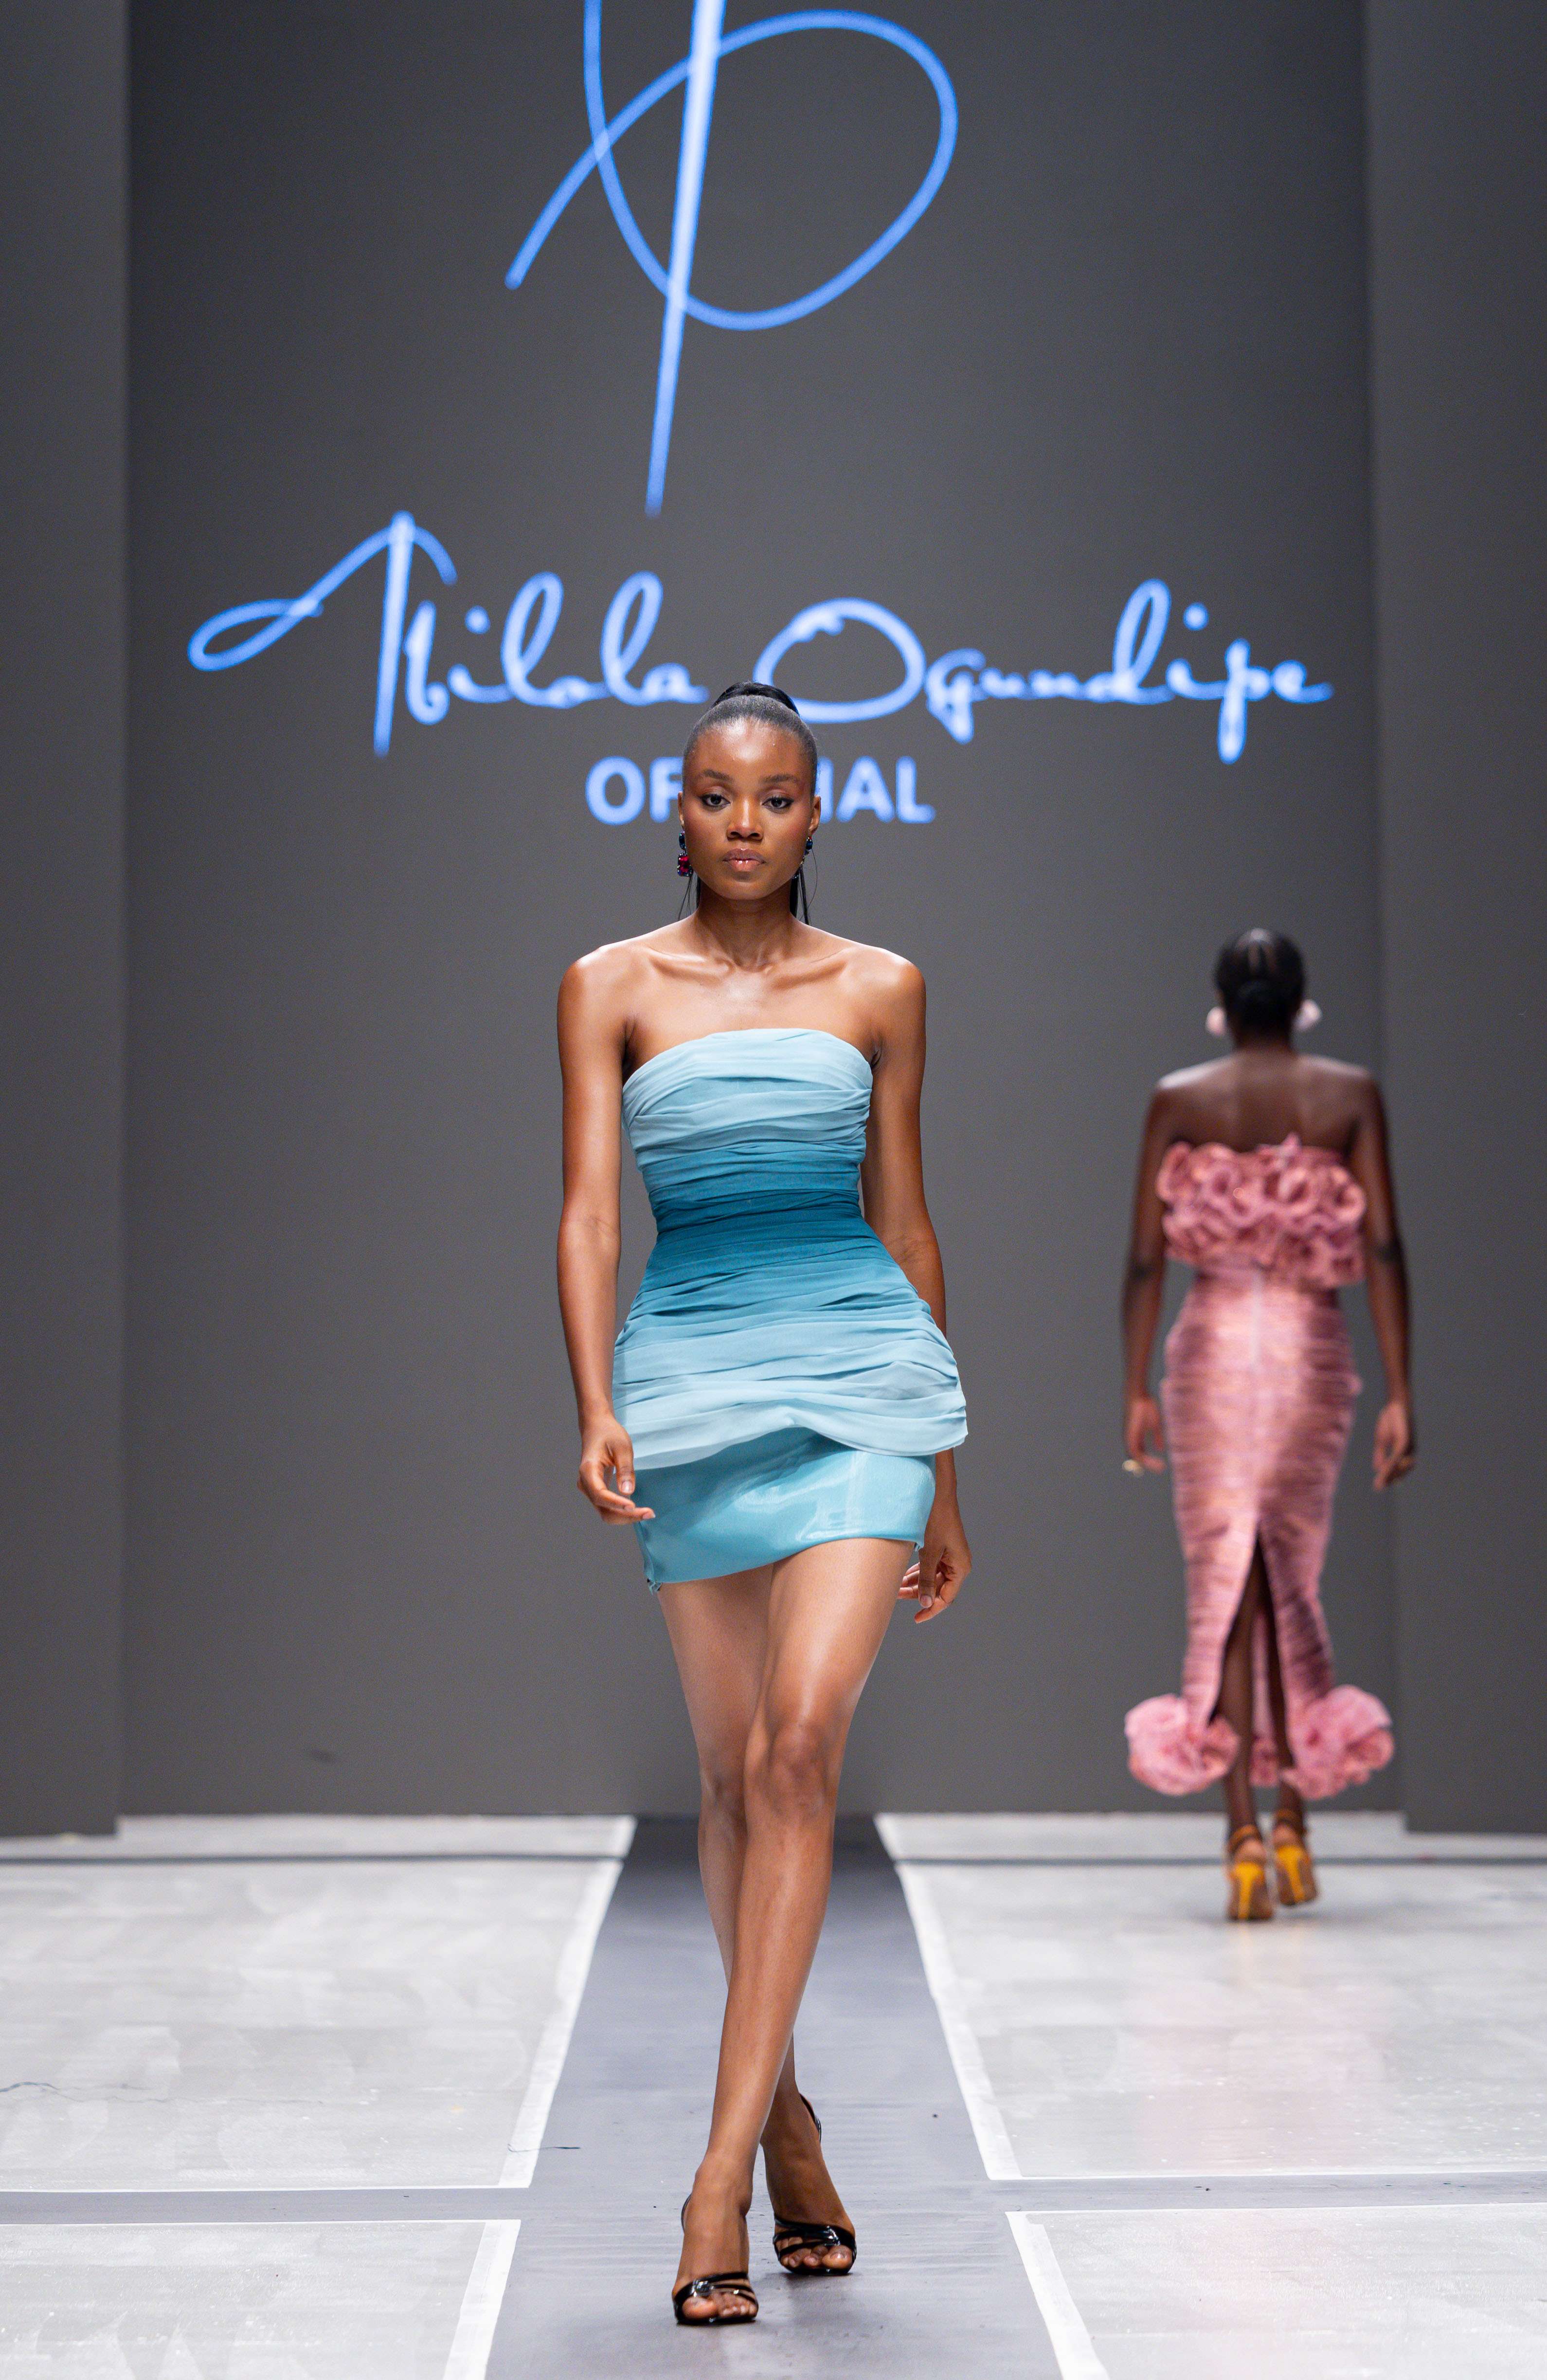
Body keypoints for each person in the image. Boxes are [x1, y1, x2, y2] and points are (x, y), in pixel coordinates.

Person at [556, 683, 970, 2325]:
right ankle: (788, 2120)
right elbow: (591, 1215)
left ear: (816, 813)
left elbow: (909, 1220)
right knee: (733, 1784)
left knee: (800, 1752)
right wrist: (594, 1399)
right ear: (678, 813)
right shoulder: (608, 985)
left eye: (775, 795)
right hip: (691, 1389)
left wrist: (943, 1461)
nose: (746, 820)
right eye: (718, 794)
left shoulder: (883, 987)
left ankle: (713, 2180)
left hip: (864, 1377)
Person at [1120, 929, 1410, 1920]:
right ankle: (1292, 1820)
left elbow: (1145, 1260)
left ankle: (1241, 1830)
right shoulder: (1348, 1094)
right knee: (1289, 1574)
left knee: (1226, 1582)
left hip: (1208, 1348)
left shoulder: (1180, 1099)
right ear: (1300, 999)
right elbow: (1384, 1247)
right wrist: (1402, 1390)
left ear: (1221, 1001)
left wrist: (1135, 1387)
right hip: (1307, 1350)